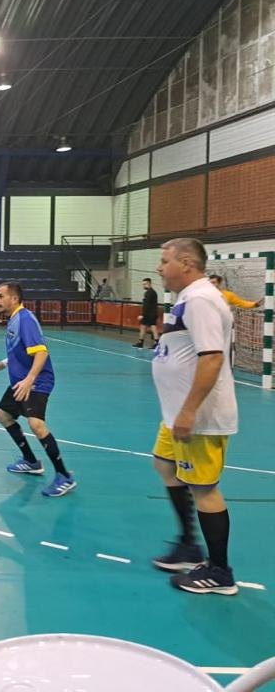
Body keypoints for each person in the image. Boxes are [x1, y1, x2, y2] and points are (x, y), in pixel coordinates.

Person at [150, 239, 238, 595]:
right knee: (164, 464)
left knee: (204, 489)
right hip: (176, 414)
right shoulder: (188, 298)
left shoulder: (201, 299)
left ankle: (219, 572)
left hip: (198, 417)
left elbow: (212, 357)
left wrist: (188, 411)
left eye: (164, 261)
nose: (158, 267)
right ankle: (188, 544)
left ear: (186, 264)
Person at [0, 282, 76, 497]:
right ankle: (31, 461)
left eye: (0, 296)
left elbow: (41, 353)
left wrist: (29, 379)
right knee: (3, 414)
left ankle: (64, 476)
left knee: (36, 424)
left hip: (37, 380)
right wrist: (3, 364)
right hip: (20, 379)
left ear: (14, 299)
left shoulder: (25, 320)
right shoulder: (14, 319)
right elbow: (21, 350)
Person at [133, 277, 160, 349]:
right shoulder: (151, 292)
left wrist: (142, 315)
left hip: (150, 314)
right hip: (150, 313)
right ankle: (141, 342)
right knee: (144, 327)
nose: (144, 286)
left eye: (145, 284)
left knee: (152, 327)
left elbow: (147, 305)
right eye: (143, 284)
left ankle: (156, 343)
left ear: (149, 284)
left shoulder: (149, 293)